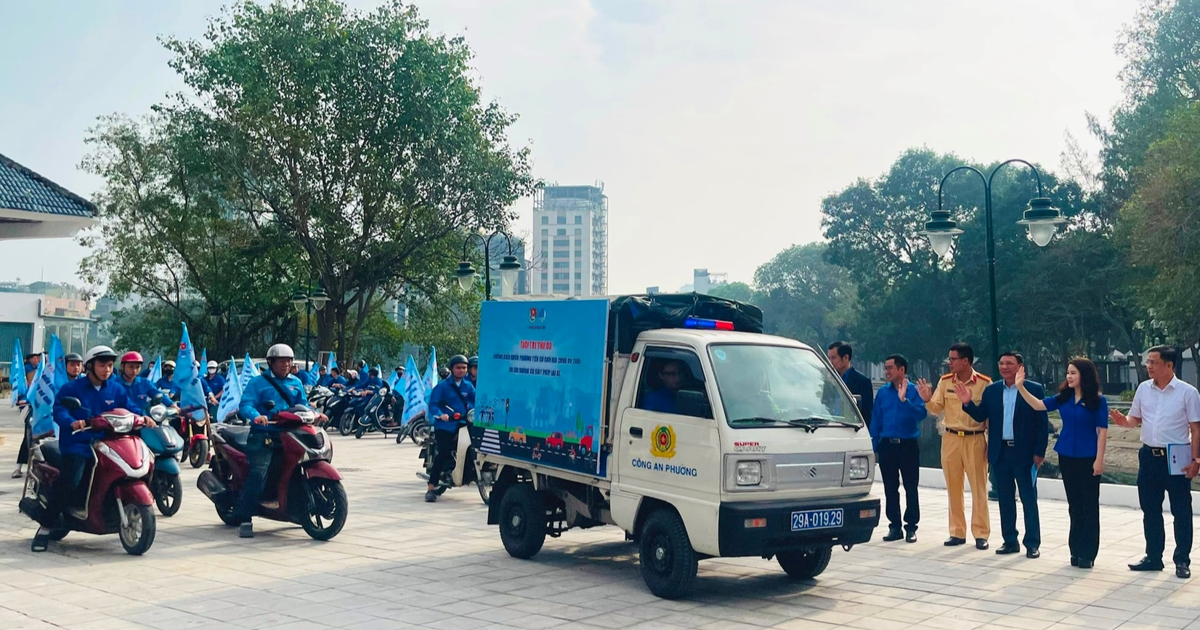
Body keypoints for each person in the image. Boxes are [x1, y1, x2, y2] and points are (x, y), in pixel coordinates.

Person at [32, 346, 149, 551]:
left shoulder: (116, 389)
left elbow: (130, 407)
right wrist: (72, 422)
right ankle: (45, 527)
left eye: (110, 365)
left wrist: (144, 417)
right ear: (90, 366)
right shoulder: (72, 389)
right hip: (79, 443)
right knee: (71, 481)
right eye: (102, 365)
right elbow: (59, 409)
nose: (107, 369)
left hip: (108, 441)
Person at [1110, 346, 1200, 579]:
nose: (1148, 366)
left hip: (1177, 457)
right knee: (1150, 509)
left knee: (1181, 511)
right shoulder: (1143, 389)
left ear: (1169, 366)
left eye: (1153, 362)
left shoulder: (1187, 392)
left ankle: (1182, 560)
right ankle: (1153, 557)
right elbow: (1135, 419)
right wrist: (1123, 421)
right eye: (1147, 362)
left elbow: (1195, 429)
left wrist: (1196, 459)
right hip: (1149, 456)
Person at [1013, 358, 1107, 569]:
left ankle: (1088, 552)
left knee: (1089, 505)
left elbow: (1102, 431)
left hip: (1089, 456)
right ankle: (1075, 549)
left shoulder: (1097, 401)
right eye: (1068, 373)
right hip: (1067, 454)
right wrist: (1020, 386)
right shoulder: (1063, 398)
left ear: (1084, 374)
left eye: (1073, 373)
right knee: (1074, 504)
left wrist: (1099, 460)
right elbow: (1038, 405)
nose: (1069, 376)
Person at [959, 352, 1048, 559]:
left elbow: (1042, 425)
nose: (1005, 367)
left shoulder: (1033, 389)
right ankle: (1010, 541)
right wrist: (967, 404)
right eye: (1001, 363)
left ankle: (1032, 543)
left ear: (1020, 366)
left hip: (1025, 453)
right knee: (1005, 499)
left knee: (1028, 499)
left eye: (1010, 363)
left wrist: (1039, 453)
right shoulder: (992, 391)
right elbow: (981, 416)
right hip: (1000, 452)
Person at [235, 343, 324, 538]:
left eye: (289, 361)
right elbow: (246, 404)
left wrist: (316, 414)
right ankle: (246, 517)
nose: (286, 364)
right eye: (281, 361)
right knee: (259, 473)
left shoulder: (296, 382)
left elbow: (302, 405)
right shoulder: (257, 383)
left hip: (291, 433)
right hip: (264, 434)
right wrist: (257, 415)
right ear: (270, 362)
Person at [917, 342, 992, 550]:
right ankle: (957, 532)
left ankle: (981, 533)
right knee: (953, 487)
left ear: (965, 361)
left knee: (979, 487)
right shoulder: (945, 381)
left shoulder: (984, 383)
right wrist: (926, 399)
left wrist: (990, 444)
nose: (949, 363)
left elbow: (989, 416)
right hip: (950, 439)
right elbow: (935, 409)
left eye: (953, 359)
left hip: (975, 438)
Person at [871, 354, 927, 543]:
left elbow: (920, 414)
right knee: (890, 488)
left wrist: (905, 401)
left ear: (902, 370)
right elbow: (876, 419)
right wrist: (874, 445)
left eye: (890, 368)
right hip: (887, 445)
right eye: (885, 368)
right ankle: (894, 526)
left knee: (911, 487)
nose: (886, 372)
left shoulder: (914, 390)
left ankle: (911, 527)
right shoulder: (883, 393)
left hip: (908, 445)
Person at [425, 355, 475, 502]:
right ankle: (431, 487)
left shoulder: (468, 386)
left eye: (464, 367)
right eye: (458, 367)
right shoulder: (442, 386)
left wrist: (472, 410)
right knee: (444, 451)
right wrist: (442, 415)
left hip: (464, 423)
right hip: (446, 425)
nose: (461, 370)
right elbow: (433, 404)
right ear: (452, 368)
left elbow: (475, 401)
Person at [827, 341, 873, 432]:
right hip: (830, 428)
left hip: (850, 430)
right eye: (829, 358)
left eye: (833, 358)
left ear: (846, 358)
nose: (830, 362)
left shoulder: (862, 381)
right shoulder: (829, 380)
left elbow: (867, 413)